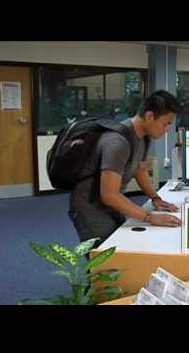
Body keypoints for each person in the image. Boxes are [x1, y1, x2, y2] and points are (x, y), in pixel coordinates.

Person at [69, 90, 182, 247]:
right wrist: (149, 217)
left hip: (110, 202)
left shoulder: (143, 136)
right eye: (166, 123)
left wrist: (155, 198)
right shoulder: (118, 142)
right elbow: (109, 195)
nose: (167, 129)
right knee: (105, 260)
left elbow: (139, 170)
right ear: (150, 116)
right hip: (90, 206)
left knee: (123, 247)